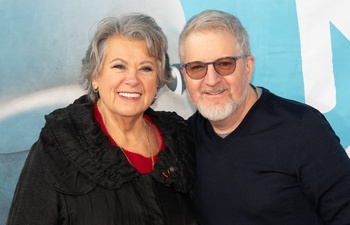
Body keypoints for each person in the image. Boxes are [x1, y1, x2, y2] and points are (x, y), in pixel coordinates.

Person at [7, 13, 197, 225]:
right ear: (95, 76)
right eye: (119, 66)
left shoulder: (179, 138)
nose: (132, 80)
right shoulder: (58, 147)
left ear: (158, 80)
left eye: (146, 68)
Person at [178, 9, 350, 225]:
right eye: (197, 68)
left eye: (224, 64)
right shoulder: (185, 137)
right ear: (185, 75)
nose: (211, 80)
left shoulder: (302, 129)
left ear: (248, 67)